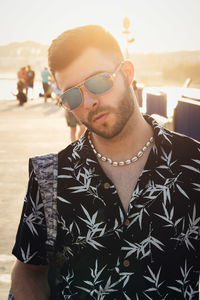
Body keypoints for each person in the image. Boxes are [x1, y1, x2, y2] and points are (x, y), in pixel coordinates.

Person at [11, 25, 200, 299]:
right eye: (72, 96)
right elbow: (29, 270)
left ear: (127, 73)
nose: (88, 102)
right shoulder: (49, 175)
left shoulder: (193, 163)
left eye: (98, 82)